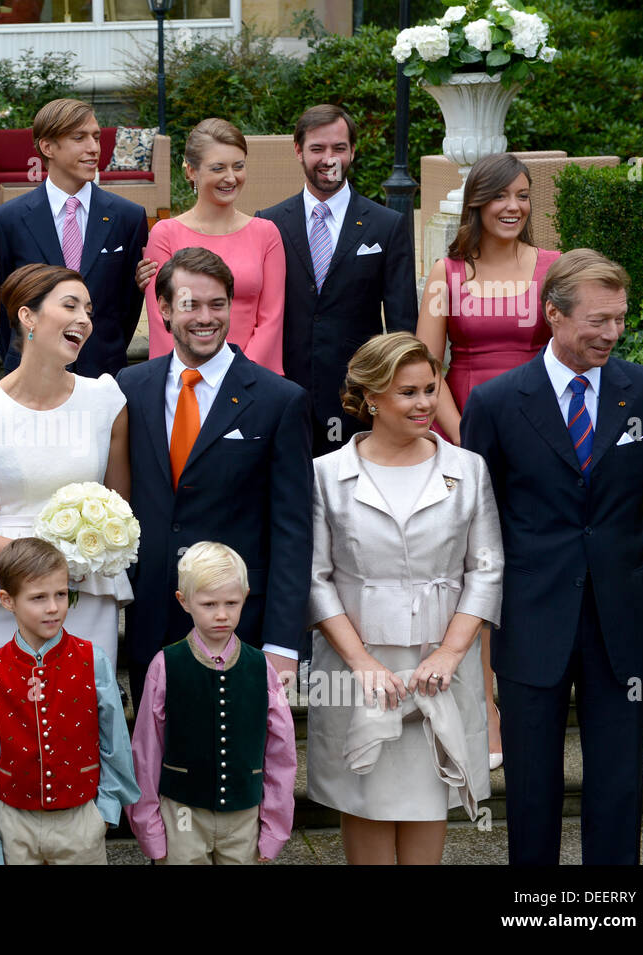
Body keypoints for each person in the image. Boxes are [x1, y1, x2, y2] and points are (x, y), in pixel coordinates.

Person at [462, 249, 643, 865]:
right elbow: (484, 516)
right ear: (552, 314)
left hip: (623, 618)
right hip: (533, 617)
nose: (612, 333)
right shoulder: (497, 402)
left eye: (619, 319)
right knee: (531, 788)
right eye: (597, 320)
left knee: (618, 784)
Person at [307, 332, 502, 865]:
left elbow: (484, 571)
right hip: (357, 670)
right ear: (371, 398)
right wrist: (362, 663)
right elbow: (316, 578)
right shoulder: (327, 475)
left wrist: (449, 654)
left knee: (428, 802)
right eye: (407, 393)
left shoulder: (467, 469)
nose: (424, 404)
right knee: (365, 803)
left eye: (430, 389)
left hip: (441, 666)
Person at [116, 247, 312, 707]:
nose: (205, 318)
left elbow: (293, 529)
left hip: (240, 620)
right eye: (190, 304)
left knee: (233, 768)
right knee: (157, 764)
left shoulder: (279, 400)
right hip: (153, 622)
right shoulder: (129, 388)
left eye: (217, 304)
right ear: (163, 310)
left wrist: (283, 644)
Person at [416, 151, 560, 770]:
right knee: (473, 572)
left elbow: (568, 358)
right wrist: (465, 440)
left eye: (524, 196)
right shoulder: (446, 273)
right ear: (477, 202)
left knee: (526, 571)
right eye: (501, 196)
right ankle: (485, 713)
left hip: (541, 437)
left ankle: (528, 702)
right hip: (464, 434)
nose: (513, 207)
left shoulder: (553, 269)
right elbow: (426, 370)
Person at [0, 263, 132, 697]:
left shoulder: (105, 400)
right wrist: (39, 561)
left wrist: (78, 560)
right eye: (69, 305)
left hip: (83, 591)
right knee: (3, 740)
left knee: (82, 732)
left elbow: (121, 507)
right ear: (27, 316)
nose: (84, 318)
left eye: (88, 309)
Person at [0, 537, 139, 865]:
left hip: (80, 821)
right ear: (7, 600)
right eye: (38, 598)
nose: (53, 607)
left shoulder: (93, 660)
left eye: (60, 594)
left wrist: (105, 812)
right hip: (14, 824)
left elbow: (116, 741)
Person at [256, 105, 417, 456]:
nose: (329, 159)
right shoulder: (268, 224)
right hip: (285, 391)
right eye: (317, 149)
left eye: (339, 148)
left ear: (353, 151)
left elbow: (403, 322)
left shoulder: (387, 225)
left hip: (357, 396)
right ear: (298, 151)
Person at [126, 542, 297, 865]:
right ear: (184, 601)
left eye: (231, 603)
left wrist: (274, 828)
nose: (221, 614)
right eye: (209, 604)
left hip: (244, 814)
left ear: (245, 597)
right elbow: (146, 752)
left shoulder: (262, 668)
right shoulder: (165, 665)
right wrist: (149, 829)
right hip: (183, 814)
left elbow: (281, 753)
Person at [0, 98, 149, 378]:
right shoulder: (7, 220)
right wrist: (19, 356)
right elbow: (3, 308)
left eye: (96, 137)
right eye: (79, 138)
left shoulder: (128, 217)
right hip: (31, 375)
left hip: (103, 373)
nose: (94, 148)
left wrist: (105, 348)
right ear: (47, 147)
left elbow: (127, 306)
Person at [134, 118, 286, 373]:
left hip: (252, 380)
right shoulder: (164, 235)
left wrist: (240, 377)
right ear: (192, 171)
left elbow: (271, 318)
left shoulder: (266, 233)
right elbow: (163, 322)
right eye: (218, 168)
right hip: (184, 382)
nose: (230, 177)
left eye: (238, 166)